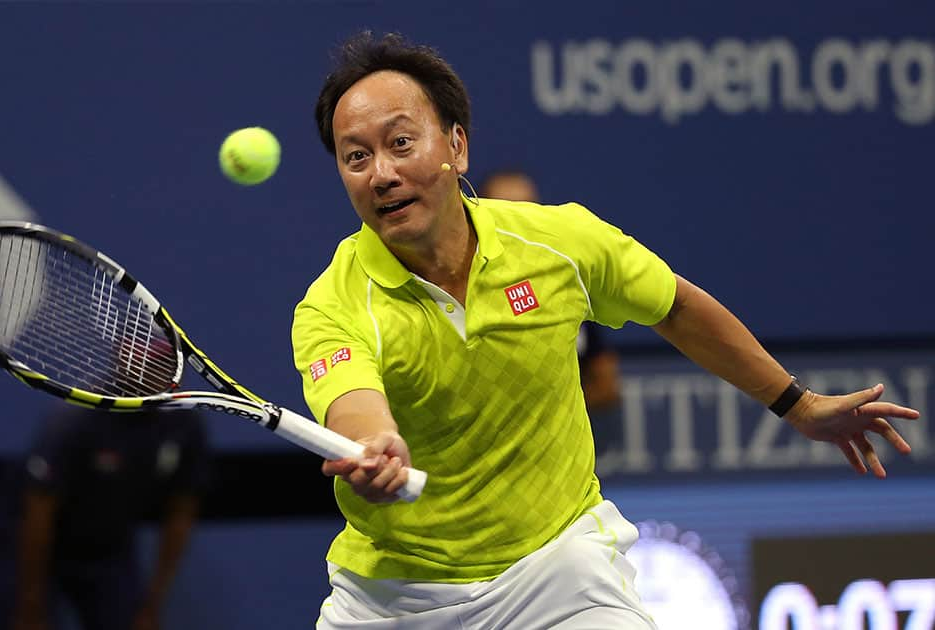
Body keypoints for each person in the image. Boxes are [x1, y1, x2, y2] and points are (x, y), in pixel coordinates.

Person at [293, 31, 919, 629]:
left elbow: (674, 306)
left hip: (556, 568)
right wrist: (376, 446)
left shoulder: (558, 242)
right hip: (396, 595)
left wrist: (797, 404)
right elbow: (353, 403)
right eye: (356, 157)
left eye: (401, 143)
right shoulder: (332, 304)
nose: (380, 173)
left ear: (457, 146)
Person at [0, 405, 210, 630]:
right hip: (29, 543)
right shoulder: (72, 422)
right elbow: (38, 513)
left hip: (107, 547)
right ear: (120, 365)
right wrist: (29, 608)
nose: (148, 372)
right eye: (139, 365)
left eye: (166, 367)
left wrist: (152, 604)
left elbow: (181, 512)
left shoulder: (184, 426)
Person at [479, 170, 623, 453]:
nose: (518, 220)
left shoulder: (565, 287)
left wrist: (547, 417)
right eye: (505, 209)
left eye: (528, 208)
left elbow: (607, 386)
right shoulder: (454, 293)